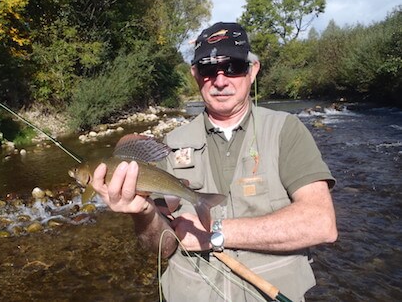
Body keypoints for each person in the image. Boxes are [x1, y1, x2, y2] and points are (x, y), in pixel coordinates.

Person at [92, 22, 337, 302]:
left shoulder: (286, 130)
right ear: (195, 74)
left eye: (233, 65)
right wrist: (143, 214)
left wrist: (215, 234)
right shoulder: (168, 146)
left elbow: (321, 223)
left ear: (253, 70)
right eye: (209, 69)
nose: (220, 81)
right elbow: (161, 246)